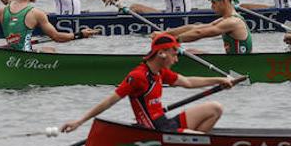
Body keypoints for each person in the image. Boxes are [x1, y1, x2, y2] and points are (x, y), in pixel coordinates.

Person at [59, 33, 237, 134]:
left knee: (215, 108)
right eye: (174, 54)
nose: (176, 59)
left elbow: (188, 82)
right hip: (154, 130)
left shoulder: (160, 72)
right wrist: (79, 121)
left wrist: (221, 80)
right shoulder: (138, 76)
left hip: (166, 124)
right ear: (161, 54)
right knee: (198, 137)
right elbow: (109, 101)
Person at [163, 0, 253, 54]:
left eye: (214, 2)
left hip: (238, 64)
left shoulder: (233, 22)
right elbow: (197, 27)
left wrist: (172, 40)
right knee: (191, 51)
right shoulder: (226, 19)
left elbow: (200, 33)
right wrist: (165, 34)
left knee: (189, 52)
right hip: (232, 61)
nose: (212, 7)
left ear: (224, 1)